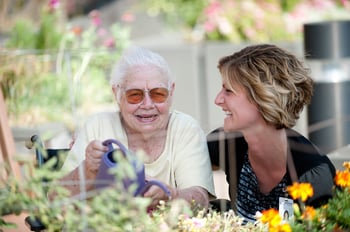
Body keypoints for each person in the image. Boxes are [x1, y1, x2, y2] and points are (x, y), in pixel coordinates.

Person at [58, 46, 215, 209]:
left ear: (171, 92)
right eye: (135, 95)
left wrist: (171, 195)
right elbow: (55, 198)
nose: (147, 104)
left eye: (158, 94)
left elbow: (201, 199)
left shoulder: (186, 129)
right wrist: (88, 170)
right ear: (117, 94)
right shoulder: (97, 126)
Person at [207, 44, 336, 223]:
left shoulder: (312, 174)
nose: (218, 100)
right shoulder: (226, 143)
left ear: (263, 97)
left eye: (229, 91)